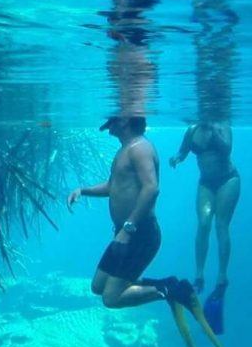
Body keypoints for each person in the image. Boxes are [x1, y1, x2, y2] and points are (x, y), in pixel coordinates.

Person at [68, 115, 195, 310]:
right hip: (125, 232)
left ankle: (170, 290)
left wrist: (129, 226)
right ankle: (165, 283)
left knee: (111, 298)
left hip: (139, 233)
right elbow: (113, 186)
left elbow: (151, 188)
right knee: (98, 286)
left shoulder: (140, 149)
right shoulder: (125, 150)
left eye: (112, 119)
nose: (108, 125)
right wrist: (83, 191)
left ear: (124, 121)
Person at [169, 121, 240, 301]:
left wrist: (213, 130)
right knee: (203, 223)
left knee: (221, 225)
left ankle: (222, 275)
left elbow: (226, 150)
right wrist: (176, 158)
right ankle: (199, 273)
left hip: (228, 179)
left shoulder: (223, 127)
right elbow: (183, 151)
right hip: (206, 182)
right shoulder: (192, 130)